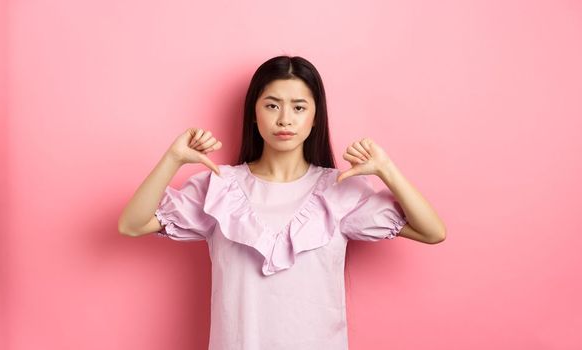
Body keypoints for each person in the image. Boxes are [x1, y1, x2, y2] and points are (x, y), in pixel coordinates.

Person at [118, 55, 446, 349]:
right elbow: (131, 225)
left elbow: (432, 231)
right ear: (254, 113)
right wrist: (173, 158)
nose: (285, 119)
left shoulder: (339, 190)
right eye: (272, 105)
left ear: (316, 116)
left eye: (299, 107)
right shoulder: (219, 187)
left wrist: (387, 169)